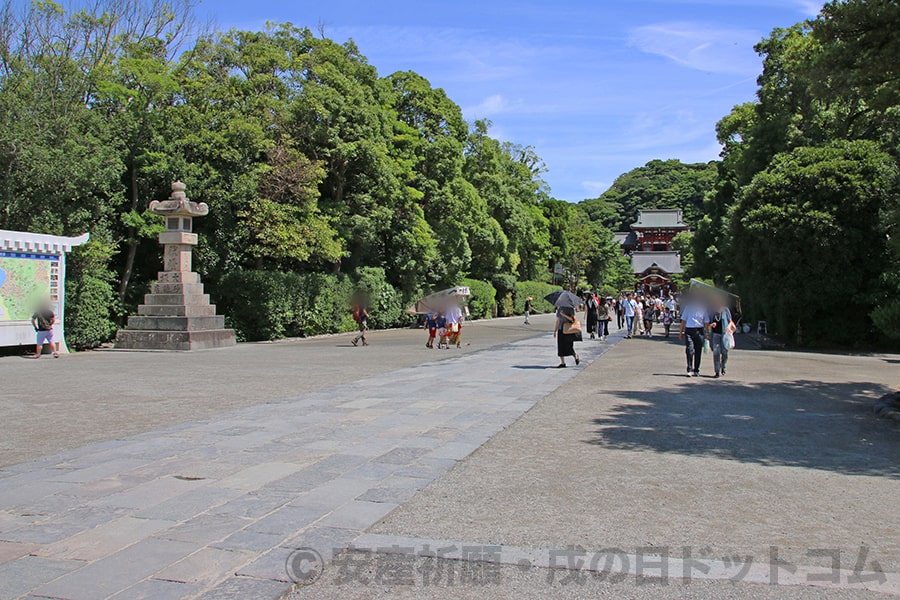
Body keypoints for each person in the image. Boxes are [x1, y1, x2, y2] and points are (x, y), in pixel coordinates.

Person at [679, 293, 710, 377]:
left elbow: (706, 322)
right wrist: (681, 332)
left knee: (698, 350)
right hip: (689, 330)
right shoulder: (688, 308)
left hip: (699, 330)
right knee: (690, 349)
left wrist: (707, 333)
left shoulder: (703, 309)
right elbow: (683, 320)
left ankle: (696, 369)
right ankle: (689, 369)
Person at [709, 299, 735, 378]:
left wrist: (728, 327)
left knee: (724, 352)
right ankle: (717, 371)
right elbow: (708, 322)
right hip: (715, 334)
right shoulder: (712, 310)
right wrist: (711, 324)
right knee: (716, 353)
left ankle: (723, 366)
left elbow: (730, 321)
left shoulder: (725, 310)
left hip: (724, 334)